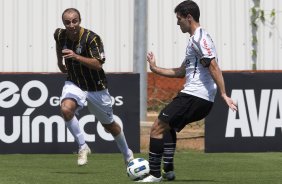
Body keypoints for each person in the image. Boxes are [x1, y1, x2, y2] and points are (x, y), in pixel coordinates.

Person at [139, 0, 237, 182]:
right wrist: (155, 68)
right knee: (167, 126)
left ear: (189, 17)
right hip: (196, 97)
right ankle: (167, 169)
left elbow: (213, 66)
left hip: (196, 96)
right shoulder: (194, 40)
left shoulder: (200, 38)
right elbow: (181, 71)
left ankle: (154, 175)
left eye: (179, 19)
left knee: (156, 128)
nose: (177, 23)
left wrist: (224, 94)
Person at [53, 8, 134, 167]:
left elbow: (98, 64)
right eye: (67, 22)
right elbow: (58, 45)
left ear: (80, 20)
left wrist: (76, 56)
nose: (71, 25)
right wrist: (59, 62)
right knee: (65, 109)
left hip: (96, 87)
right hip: (74, 82)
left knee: (109, 125)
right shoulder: (59, 34)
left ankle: (127, 153)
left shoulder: (92, 38)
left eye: (74, 21)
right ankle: (83, 146)